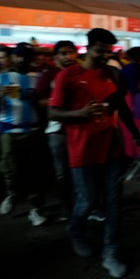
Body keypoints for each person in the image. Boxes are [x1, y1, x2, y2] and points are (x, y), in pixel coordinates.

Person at [49, 28, 140, 278]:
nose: (104, 55)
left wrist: (135, 134)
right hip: (81, 150)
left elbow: (120, 106)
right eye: (100, 50)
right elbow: (53, 112)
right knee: (88, 201)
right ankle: (76, 231)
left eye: (108, 51)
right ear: (87, 48)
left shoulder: (112, 73)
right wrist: (79, 115)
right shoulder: (68, 76)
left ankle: (110, 251)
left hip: (111, 148)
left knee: (113, 202)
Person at [0, 42, 51, 226]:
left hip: (34, 130)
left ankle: (36, 209)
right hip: (9, 132)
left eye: (27, 55)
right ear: (13, 57)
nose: (23, 59)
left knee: (36, 173)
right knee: (10, 169)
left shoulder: (37, 78)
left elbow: (43, 102)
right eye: (19, 55)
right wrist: (0, 94)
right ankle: (12, 195)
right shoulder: (0, 78)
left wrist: (41, 101)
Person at [36, 40, 79, 220]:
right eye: (63, 53)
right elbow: (39, 100)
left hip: (79, 130)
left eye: (70, 52)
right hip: (57, 130)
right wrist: (59, 101)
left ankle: (85, 207)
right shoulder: (49, 75)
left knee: (81, 172)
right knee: (62, 174)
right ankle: (67, 210)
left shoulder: (81, 73)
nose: (67, 56)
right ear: (56, 57)